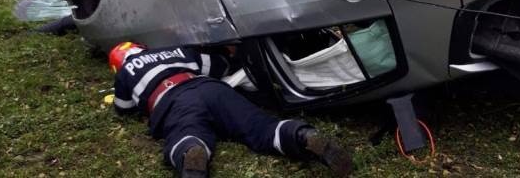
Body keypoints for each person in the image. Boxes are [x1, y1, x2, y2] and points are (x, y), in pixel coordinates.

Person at [109, 42, 353, 178]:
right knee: (262, 128)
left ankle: (191, 154)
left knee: (186, 133)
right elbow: (218, 65)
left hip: (174, 100)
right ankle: (301, 136)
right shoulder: (174, 50)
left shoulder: (125, 71)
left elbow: (124, 108)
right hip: (210, 88)